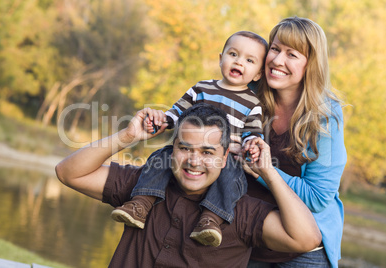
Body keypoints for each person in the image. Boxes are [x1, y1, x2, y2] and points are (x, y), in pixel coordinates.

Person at [55, 103, 321, 267]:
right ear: (172, 149)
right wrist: (127, 136)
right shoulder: (144, 188)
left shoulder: (240, 212)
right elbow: (68, 173)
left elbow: (306, 238)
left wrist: (268, 173)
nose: (194, 162)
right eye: (185, 148)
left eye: (207, 152)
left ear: (225, 156)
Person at [110, 31, 268, 247]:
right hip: (188, 150)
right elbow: (176, 113)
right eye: (233, 54)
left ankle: (211, 220)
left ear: (258, 74)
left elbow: (252, 133)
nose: (239, 62)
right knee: (161, 158)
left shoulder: (252, 103)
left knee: (232, 178)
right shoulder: (201, 88)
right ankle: (140, 204)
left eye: (249, 60)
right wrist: (161, 121)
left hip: (225, 157)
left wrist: (252, 146)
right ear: (221, 58)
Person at [239, 17, 347, 268]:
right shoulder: (246, 94)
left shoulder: (325, 116)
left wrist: (262, 172)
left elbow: (318, 197)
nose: (277, 61)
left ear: (311, 65)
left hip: (303, 249)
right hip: (247, 236)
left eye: (292, 54)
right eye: (275, 49)